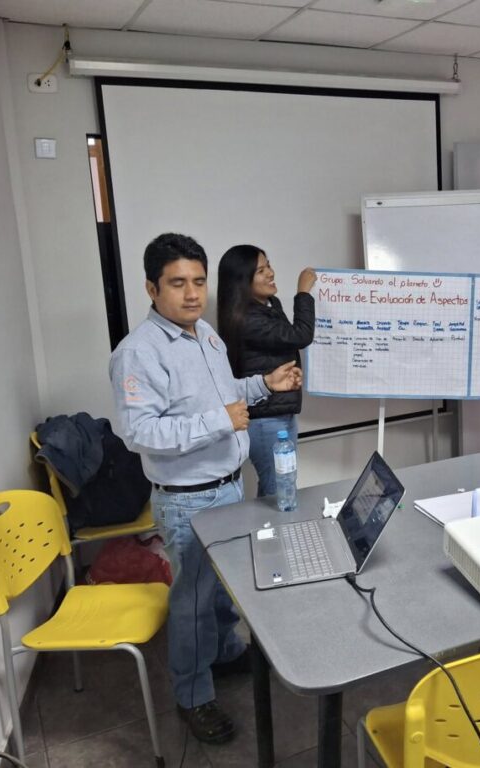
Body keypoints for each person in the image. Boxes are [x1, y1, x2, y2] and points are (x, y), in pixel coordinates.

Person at [109, 233, 302, 744]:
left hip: (227, 486)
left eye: (198, 281)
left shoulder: (205, 334)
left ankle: (224, 652)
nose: (192, 293)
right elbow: (140, 433)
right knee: (192, 601)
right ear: (152, 288)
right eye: (177, 283)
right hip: (188, 499)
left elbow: (227, 394)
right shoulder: (138, 353)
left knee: (219, 587)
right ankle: (193, 695)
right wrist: (220, 421)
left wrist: (264, 385)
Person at [217, 244, 316, 496]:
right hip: (265, 419)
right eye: (261, 271)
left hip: (278, 412)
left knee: (280, 487)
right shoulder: (248, 318)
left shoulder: (269, 305)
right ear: (242, 281)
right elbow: (300, 335)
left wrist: (290, 371)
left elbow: (279, 346)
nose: (271, 273)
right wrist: (303, 293)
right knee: (279, 491)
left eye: (268, 266)